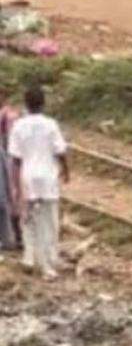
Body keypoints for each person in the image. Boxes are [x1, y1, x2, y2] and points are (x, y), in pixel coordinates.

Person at [7, 87, 69, 280]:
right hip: (48, 177)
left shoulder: (18, 126)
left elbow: (15, 159)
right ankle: (48, 263)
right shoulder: (51, 124)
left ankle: (29, 257)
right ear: (43, 104)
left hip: (28, 176)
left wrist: (16, 185)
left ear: (26, 104)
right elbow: (60, 151)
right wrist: (66, 171)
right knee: (49, 220)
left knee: (28, 218)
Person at [0, 91, 20, 251]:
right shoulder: (9, 115)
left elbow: (12, 139)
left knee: (7, 197)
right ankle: (10, 237)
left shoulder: (8, 116)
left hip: (7, 158)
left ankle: (12, 237)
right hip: (6, 158)